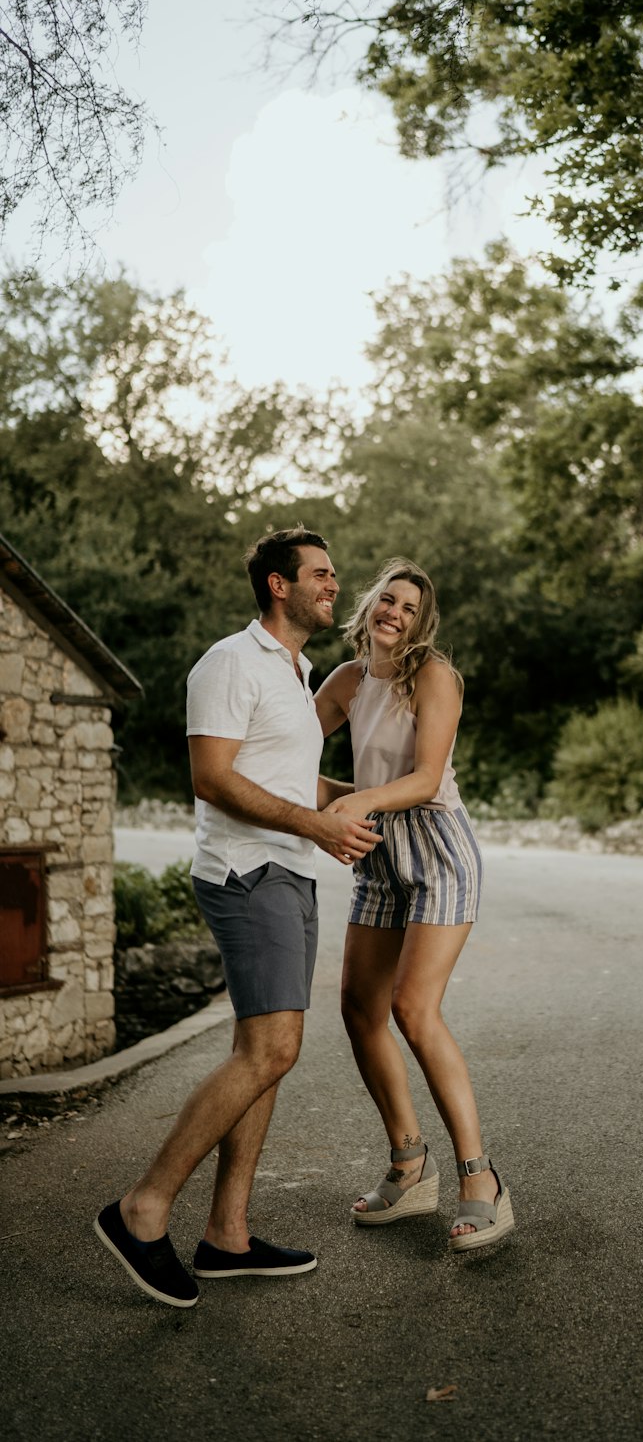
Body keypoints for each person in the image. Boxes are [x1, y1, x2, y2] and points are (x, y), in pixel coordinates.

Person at [94, 525, 381, 1307]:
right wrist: (316, 825)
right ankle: (142, 1209)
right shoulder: (229, 661)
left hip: (287, 870)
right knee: (272, 1049)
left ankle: (227, 1236)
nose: (334, 585)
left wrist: (359, 805)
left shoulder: (296, 672)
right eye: (320, 575)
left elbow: (286, 774)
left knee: (266, 1049)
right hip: (247, 871)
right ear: (278, 585)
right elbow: (213, 778)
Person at [314, 557, 514, 1251]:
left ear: (420, 623)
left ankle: (480, 1178)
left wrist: (352, 801)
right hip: (375, 851)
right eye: (387, 599)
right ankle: (410, 1163)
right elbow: (288, 754)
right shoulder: (345, 681)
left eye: (409, 608)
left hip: (436, 849)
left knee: (412, 1008)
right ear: (370, 605)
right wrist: (314, 806)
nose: (395, 612)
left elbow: (427, 780)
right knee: (359, 1008)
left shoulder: (432, 676)